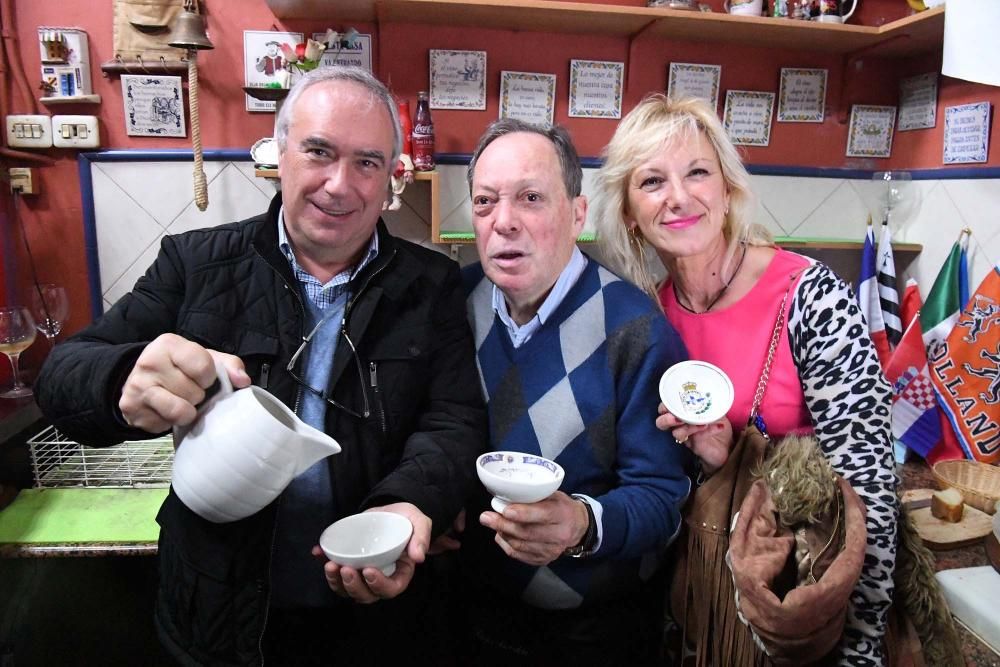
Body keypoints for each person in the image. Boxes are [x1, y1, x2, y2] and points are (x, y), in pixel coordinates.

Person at [34, 66, 487, 666]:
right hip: (217, 608)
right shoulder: (194, 263)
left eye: (367, 163)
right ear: (279, 154)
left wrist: (410, 501)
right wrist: (122, 378)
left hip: (377, 608)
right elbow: (62, 373)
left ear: (390, 180)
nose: (339, 184)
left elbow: (453, 417)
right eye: (319, 152)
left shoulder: (430, 285)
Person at [592, 94, 898, 666]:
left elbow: (870, 491)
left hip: (804, 598)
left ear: (728, 190)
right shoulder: (648, 321)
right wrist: (716, 456)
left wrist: (859, 644)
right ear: (630, 211)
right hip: (705, 608)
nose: (679, 197)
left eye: (698, 173)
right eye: (652, 181)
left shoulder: (809, 296)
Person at [453, 118, 693, 666]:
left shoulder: (637, 329)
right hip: (473, 614)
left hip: (596, 632)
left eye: (531, 198)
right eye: (486, 201)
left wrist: (581, 525)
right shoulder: (455, 305)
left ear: (577, 214)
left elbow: (664, 499)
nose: (504, 222)